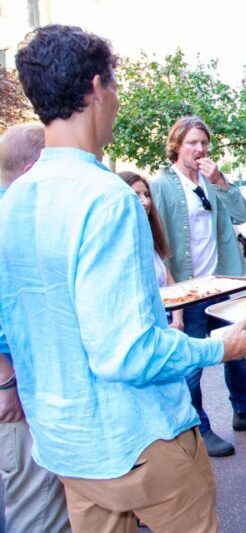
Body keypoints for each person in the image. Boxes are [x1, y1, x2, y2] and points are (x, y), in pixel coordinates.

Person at [1, 24, 246, 531]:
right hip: (140, 440)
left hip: (65, 446)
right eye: (115, 86)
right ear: (97, 88)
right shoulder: (106, 196)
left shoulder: (13, 202)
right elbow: (127, 351)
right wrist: (220, 348)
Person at [150, 116, 246, 458]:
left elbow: (241, 215)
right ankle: (200, 429)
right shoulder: (162, 183)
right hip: (188, 291)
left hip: (219, 284)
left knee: (237, 351)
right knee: (192, 365)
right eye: (192, 142)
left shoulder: (211, 181)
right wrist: (172, 299)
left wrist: (220, 180)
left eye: (204, 142)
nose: (199, 149)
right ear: (177, 145)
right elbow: (156, 241)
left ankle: (243, 411)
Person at [0, 123, 70, 533]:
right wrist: (6, 380)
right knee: (37, 510)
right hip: (19, 395)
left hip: (26, 387)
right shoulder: (12, 222)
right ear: (32, 169)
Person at [118, 171, 183, 329]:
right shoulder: (117, 247)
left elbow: (169, 282)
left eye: (146, 195)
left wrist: (177, 319)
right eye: (136, 195)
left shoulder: (149, 239)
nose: (145, 201)